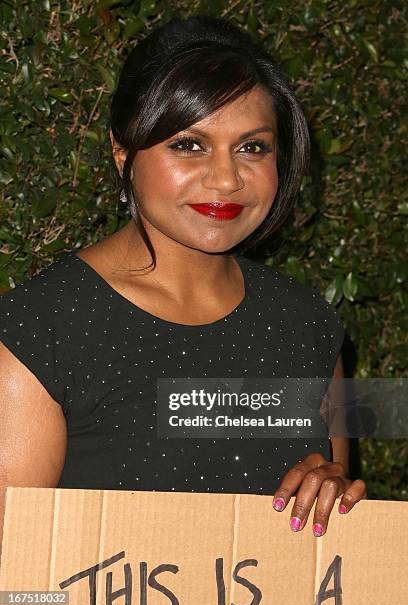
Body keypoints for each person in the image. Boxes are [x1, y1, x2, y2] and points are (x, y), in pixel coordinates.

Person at [0, 15, 366, 552]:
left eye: (252, 148)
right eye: (190, 145)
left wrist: (333, 494)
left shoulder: (308, 326)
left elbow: (327, 548)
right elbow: (15, 573)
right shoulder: (39, 331)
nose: (225, 179)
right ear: (122, 151)